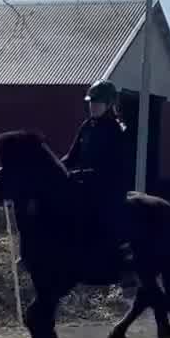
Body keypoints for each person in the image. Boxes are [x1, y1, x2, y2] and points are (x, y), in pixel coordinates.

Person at [63, 80, 132, 257]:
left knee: (105, 216)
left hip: (109, 187)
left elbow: (109, 168)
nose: (93, 106)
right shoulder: (87, 127)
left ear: (109, 104)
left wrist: (79, 175)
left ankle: (123, 257)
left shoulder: (116, 131)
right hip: (84, 182)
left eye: (97, 102)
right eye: (91, 102)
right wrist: (54, 168)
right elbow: (72, 157)